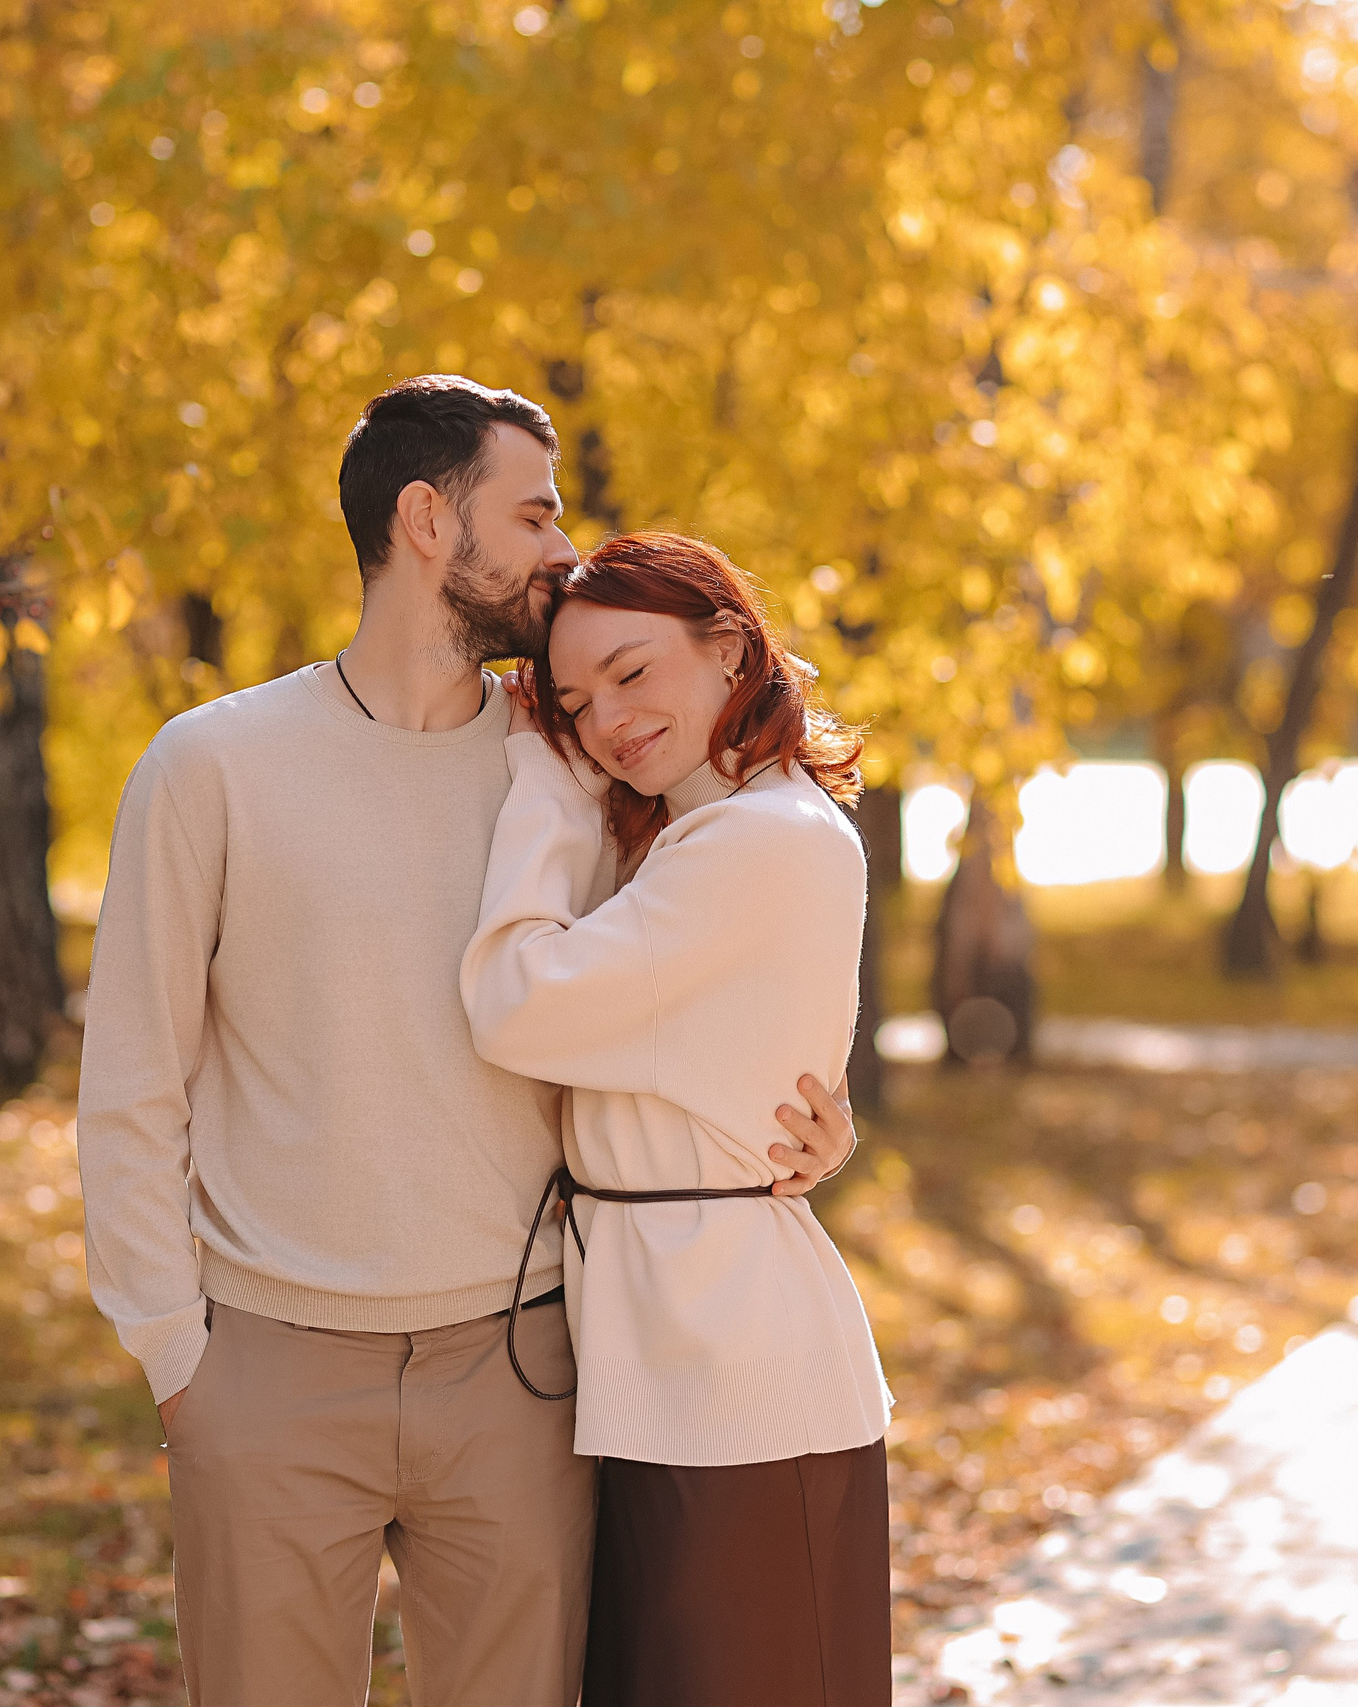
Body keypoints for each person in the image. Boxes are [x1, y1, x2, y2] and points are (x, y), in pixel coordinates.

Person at [76, 377, 860, 1706]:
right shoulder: (212, 762)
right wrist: (172, 1351)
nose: (563, 549)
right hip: (268, 1363)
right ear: (429, 520)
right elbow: (133, 1078)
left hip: (526, 1368)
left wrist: (805, 1109)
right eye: (536, 512)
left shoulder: (588, 759)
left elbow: (700, 970)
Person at [462, 530, 896, 1706]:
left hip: (737, 1377)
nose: (605, 718)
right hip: (672, 1357)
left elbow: (514, 1005)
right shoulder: (709, 828)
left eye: (632, 673)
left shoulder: (756, 843)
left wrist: (548, 786)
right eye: (572, 702)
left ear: (727, 646)